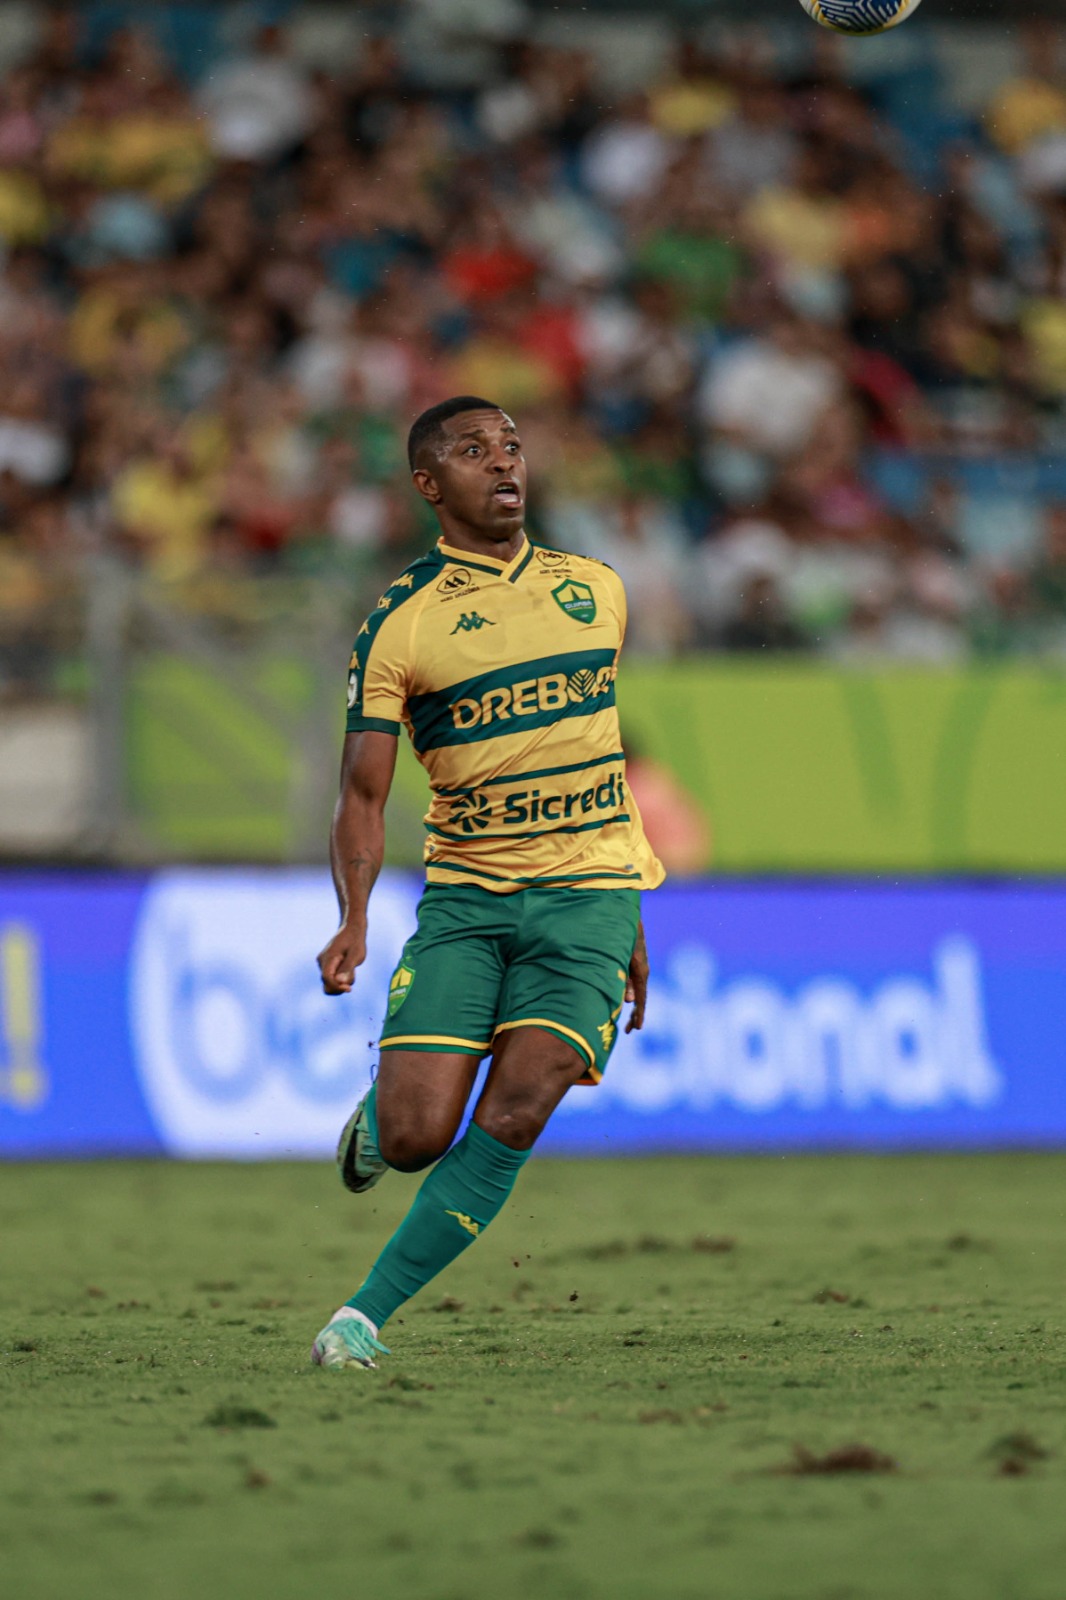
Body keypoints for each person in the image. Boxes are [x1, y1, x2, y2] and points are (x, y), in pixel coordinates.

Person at [310, 396, 664, 1370]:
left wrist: (629, 908)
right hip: (468, 904)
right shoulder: (399, 624)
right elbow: (363, 791)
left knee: (520, 1104)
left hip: (590, 898)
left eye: (512, 447)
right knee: (422, 1133)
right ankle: (382, 1124)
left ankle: (360, 1318)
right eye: (474, 452)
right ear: (429, 484)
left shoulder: (597, 588)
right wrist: (352, 919)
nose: (503, 465)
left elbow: (598, 757)